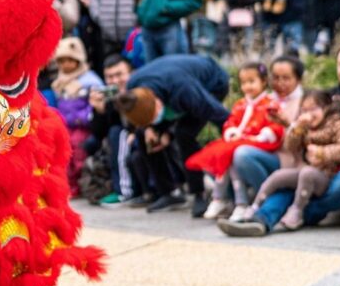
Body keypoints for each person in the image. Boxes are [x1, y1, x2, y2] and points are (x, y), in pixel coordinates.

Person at [221, 44, 340, 236]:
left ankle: (302, 213)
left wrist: (335, 148)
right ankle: (260, 219)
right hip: (319, 166)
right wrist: (296, 129)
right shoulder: (325, 98)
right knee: (292, 179)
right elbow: (301, 137)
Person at [113, 54, 230, 216]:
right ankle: (169, 192)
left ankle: (199, 193)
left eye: (154, 117)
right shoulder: (134, 87)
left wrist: (232, 142)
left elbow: (222, 118)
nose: (154, 122)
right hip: (171, 83)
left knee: (184, 134)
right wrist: (150, 129)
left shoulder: (185, 91)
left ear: (158, 101)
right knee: (145, 137)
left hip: (212, 82)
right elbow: (143, 120)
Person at [186, 62, 284, 221]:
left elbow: (276, 127)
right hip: (239, 141)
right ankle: (221, 198)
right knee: (213, 153)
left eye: (252, 81)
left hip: (259, 144)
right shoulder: (240, 104)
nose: (247, 86)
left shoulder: (270, 103)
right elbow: (231, 122)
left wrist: (260, 135)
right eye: (244, 82)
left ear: (264, 81)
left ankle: (241, 202)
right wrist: (233, 132)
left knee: (232, 153)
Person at [246, 90, 340, 231]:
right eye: (304, 110)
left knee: (307, 172)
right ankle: (254, 207)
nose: (308, 114)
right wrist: (297, 128)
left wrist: (322, 153)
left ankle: (297, 211)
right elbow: (290, 146)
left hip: (327, 175)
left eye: (313, 109)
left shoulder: (337, 124)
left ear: (326, 108)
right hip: (304, 173)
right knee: (278, 176)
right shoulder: (305, 127)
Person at [227, 55, 306, 217]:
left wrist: (288, 124)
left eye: (286, 78)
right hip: (263, 150)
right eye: (276, 78)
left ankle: (267, 200)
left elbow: (305, 137)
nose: (280, 83)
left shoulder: (305, 102)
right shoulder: (264, 99)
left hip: (288, 158)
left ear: (298, 79)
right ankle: (248, 201)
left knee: (242, 154)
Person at [51, 37, 104, 196]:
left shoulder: (89, 80)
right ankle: (69, 183)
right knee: (64, 153)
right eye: (61, 61)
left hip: (82, 125)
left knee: (78, 151)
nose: (65, 65)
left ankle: (82, 182)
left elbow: (96, 101)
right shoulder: (60, 82)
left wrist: (85, 116)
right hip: (66, 125)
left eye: (70, 61)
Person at [90, 55, 138, 207]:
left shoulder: (139, 90)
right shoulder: (111, 98)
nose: (115, 81)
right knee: (109, 135)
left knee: (119, 134)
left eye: (119, 75)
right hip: (123, 140)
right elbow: (99, 133)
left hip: (142, 135)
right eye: (110, 77)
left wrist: (135, 132)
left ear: (130, 73)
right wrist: (99, 110)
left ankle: (124, 192)